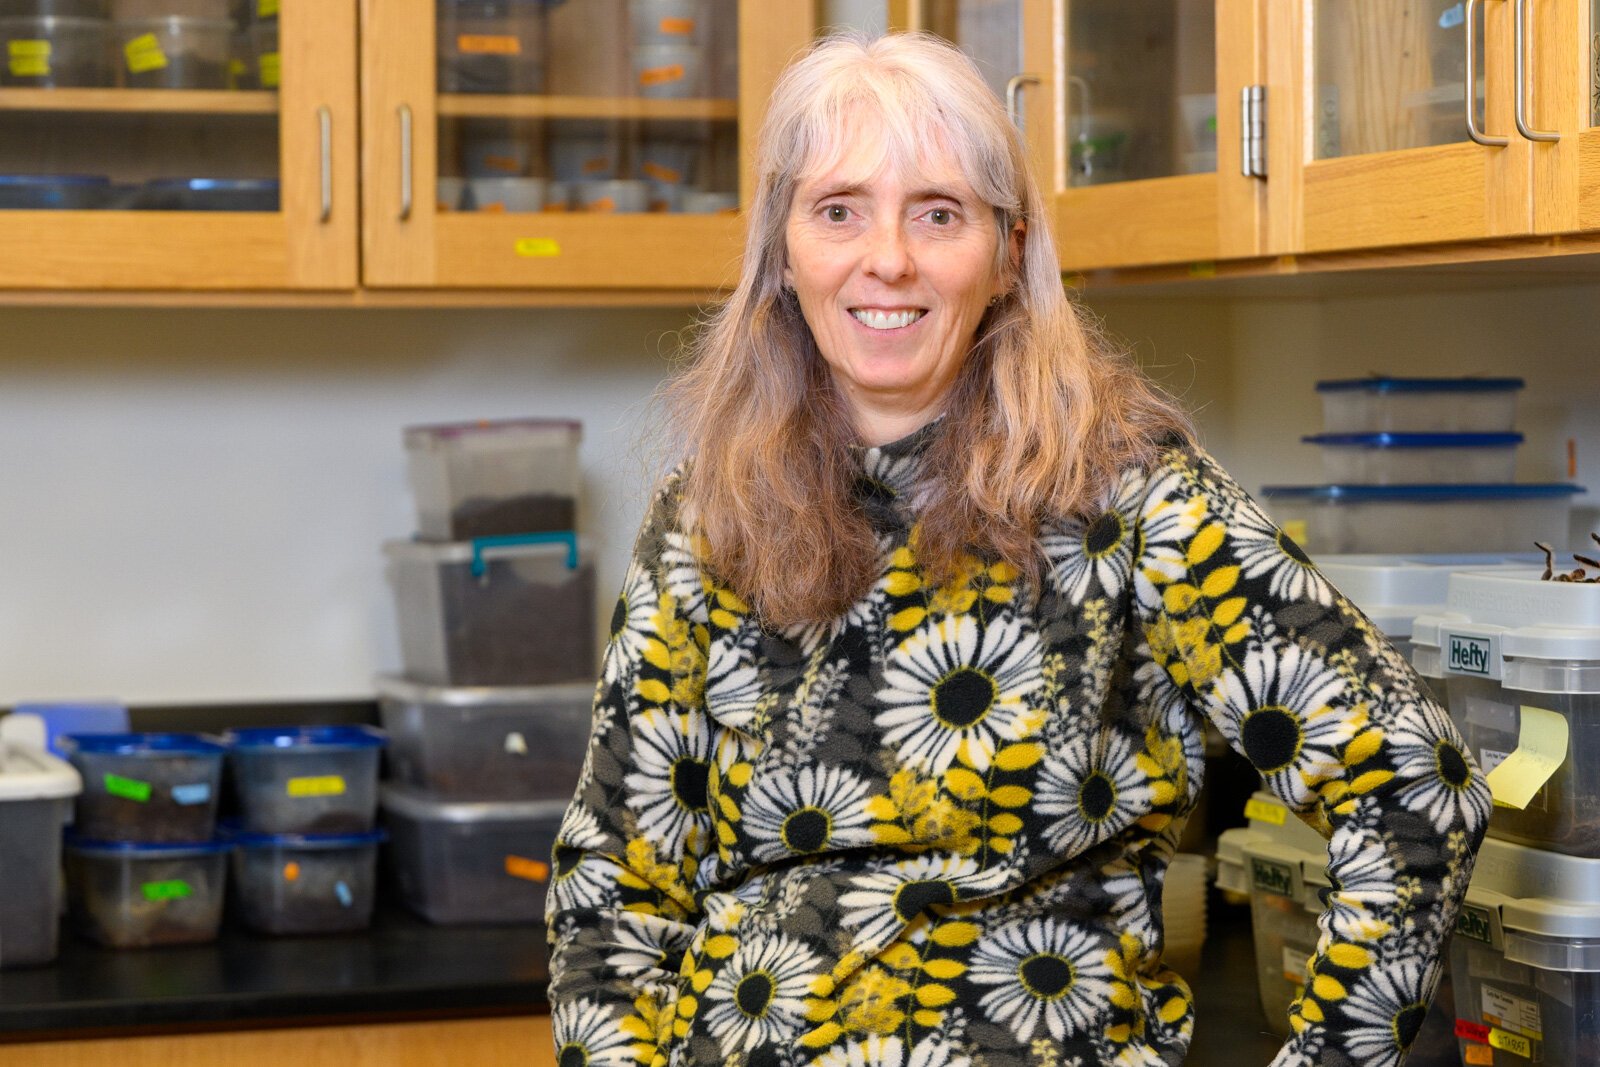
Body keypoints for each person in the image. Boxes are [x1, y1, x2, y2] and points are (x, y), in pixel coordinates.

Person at [546, 32, 1489, 1067]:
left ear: (1007, 251)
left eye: (939, 212)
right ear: (782, 250)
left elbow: (1414, 785)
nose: (888, 257)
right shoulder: (707, 512)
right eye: (838, 209)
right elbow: (613, 892)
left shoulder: (1131, 498)